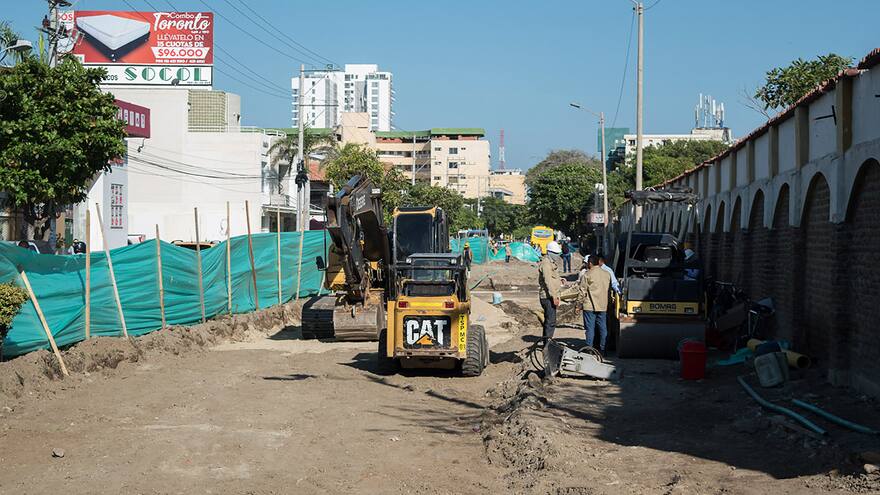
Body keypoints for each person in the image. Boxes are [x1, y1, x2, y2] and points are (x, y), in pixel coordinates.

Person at [579, 255, 612, 354]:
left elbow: (582, 291)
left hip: (589, 306)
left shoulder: (587, 274)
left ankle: (589, 349)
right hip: (603, 306)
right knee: (603, 328)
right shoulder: (607, 274)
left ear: (590, 263)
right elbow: (609, 291)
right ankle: (603, 349)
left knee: (590, 329)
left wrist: (578, 304)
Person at [538, 240, 564, 340]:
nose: (557, 256)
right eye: (556, 254)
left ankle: (548, 341)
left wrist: (560, 279)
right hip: (547, 297)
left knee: (551, 321)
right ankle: (547, 343)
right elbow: (548, 281)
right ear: (550, 253)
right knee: (550, 321)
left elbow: (552, 278)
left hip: (550, 296)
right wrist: (554, 297)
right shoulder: (546, 264)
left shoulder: (551, 263)